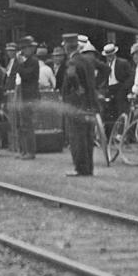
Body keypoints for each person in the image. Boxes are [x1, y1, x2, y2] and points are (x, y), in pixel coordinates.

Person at [58, 32, 98, 176]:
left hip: (76, 105)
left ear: (67, 47)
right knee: (88, 136)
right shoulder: (87, 60)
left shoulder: (72, 62)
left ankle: (80, 168)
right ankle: (89, 168)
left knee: (77, 137)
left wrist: (76, 88)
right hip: (89, 104)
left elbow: (71, 75)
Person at [97, 43, 132, 137]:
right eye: (107, 56)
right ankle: (110, 135)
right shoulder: (105, 65)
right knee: (110, 112)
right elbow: (102, 78)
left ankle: (121, 134)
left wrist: (125, 88)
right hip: (109, 89)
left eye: (111, 55)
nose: (109, 57)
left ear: (115, 54)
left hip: (120, 88)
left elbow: (130, 77)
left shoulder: (123, 63)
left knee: (121, 110)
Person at [16, 36, 41, 159]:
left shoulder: (33, 61)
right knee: (23, 124)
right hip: (25, 96)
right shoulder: (27, 62)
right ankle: (24, 150)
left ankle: (31, 152)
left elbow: (26, 75)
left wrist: (20, 65)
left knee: (28, 125)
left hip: (31, 97)